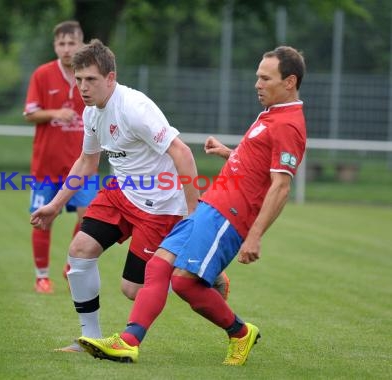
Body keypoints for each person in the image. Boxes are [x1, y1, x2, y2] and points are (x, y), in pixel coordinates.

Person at [77, 46, 307, 366]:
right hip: (211, 203)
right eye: (257, 76)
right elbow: (258, 164)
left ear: (290, 82)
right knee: (157, 267)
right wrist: (230, 153)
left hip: (230, 216)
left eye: (265, 78)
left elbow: (281, 185)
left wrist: (254, 236)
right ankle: (128, 342)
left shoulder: (289, 124)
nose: (257, 84)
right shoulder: (272, 115)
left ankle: (240, 333)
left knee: (183, 282)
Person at [31, 39, 232, 353]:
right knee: (79, 251)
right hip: (119, 193)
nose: (82, 87)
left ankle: (200, 273)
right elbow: (87, 161)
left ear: (111, 78)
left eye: (91, 80)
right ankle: (90, 338)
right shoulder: (92, 113)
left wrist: (194, 214)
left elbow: (181, 152)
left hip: (159, 206)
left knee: (132, 289)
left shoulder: (135, 108)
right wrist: (55, 205)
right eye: (78, 79)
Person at [23, 21, 97, 294]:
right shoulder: (42, 75)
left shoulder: (91, 75)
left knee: (89, 217)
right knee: (43, 218)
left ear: (81, 44)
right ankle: (41, 276)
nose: (67, 49)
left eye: (72, 43)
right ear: (55, 46)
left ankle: (70, 264)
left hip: (82, 166)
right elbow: (30, 113)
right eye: (61, 44)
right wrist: (55, 113)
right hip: (46, 166)